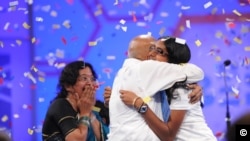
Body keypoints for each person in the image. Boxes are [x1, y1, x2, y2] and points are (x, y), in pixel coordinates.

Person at [107, 34, 204, 141]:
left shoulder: (123, 73)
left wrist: (139, 104)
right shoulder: (146, 68)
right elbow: (196, 72)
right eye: (154, 49)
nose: (153, 54)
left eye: (159, 51)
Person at [42, 60, 109, 141]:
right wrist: (85, 113)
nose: (90, 84)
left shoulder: (93, 109)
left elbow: (106, 138)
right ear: (68, 86)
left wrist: (89, 112)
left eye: (92, 79)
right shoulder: (60, 105)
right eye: (84, 78)